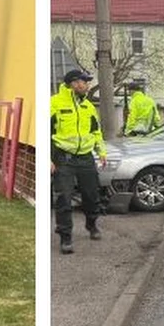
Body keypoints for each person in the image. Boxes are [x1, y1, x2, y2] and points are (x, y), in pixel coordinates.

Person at [50, 69, 107, 255]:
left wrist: (101, 152)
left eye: (87, 82)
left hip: (86, 157)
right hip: (64, 158)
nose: (86, 85)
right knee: (64, 199)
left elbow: (95, 131)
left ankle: (92, 224)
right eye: (84, 82)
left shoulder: (88, 106)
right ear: (74, 83)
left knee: (91, 195)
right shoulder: (55, 103)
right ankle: (65, 237)